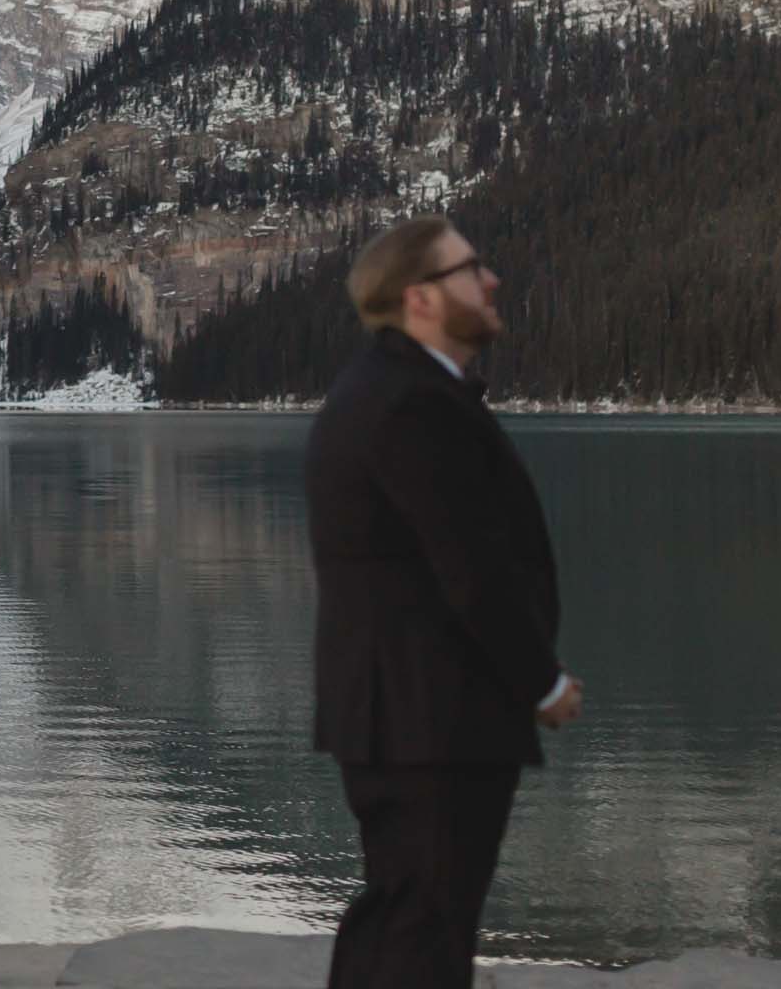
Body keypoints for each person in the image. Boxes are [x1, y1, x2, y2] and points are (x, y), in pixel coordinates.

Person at [305, 216, 581, 989]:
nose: (491, 281)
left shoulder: (392, 390)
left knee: (405, 918)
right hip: (429, 715)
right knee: (421, 933)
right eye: (472, 269)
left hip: (410, 712)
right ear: (421, 298)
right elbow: (471, 569)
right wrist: (543, 682)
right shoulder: (409, 403)